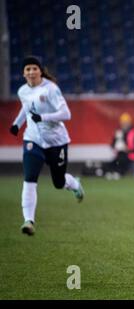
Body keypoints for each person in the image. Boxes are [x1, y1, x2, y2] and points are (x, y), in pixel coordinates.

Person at [9, 56, 85, 236]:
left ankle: (74, 184)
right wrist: (17, 124)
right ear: (23, 73)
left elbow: (66, 114)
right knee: (29, 178)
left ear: (40, 71)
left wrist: (44, 118)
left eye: (34, 68)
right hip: (33, 140)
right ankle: (28, 220)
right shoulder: (22, 91)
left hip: (56, 141)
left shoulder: (51, 89)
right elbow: (26, 108)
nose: (31, 72)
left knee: (58, 182)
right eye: (27, 69)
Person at [109, 112, 134, 177]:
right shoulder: (118, 133)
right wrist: (117, 147)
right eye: (123, 122)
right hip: (120, 159)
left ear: (129, 122)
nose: (124, 124)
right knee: (114, 170)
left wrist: (128, 149)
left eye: (126, 122)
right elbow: (112, 145)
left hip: (131, 160)